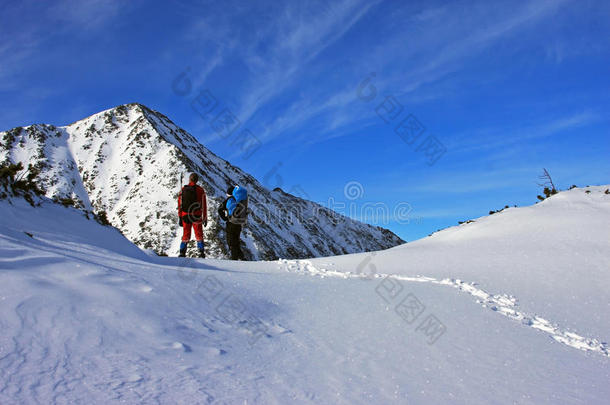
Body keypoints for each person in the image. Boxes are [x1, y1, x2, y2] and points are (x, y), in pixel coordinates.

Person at [178, 173, 208, 257]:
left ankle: (182, 252)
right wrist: (205, 218)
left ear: (189, 179)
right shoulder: (200, 190)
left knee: (186, 234)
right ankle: (201, 252)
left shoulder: (183, 189)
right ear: (197, 180)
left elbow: (180, 205)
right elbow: (204, 205)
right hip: (196, 215)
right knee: (199, 234)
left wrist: (180, 217)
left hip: (185, 215)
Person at [218, 185, 248, 260]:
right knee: (236, 241)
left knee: (231, 242)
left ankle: (234, 260)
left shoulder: (228, 200)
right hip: (239, 223)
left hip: (231, 223)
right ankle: (242, 258)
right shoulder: (239, 200)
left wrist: (225, 218)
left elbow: (219, 209)